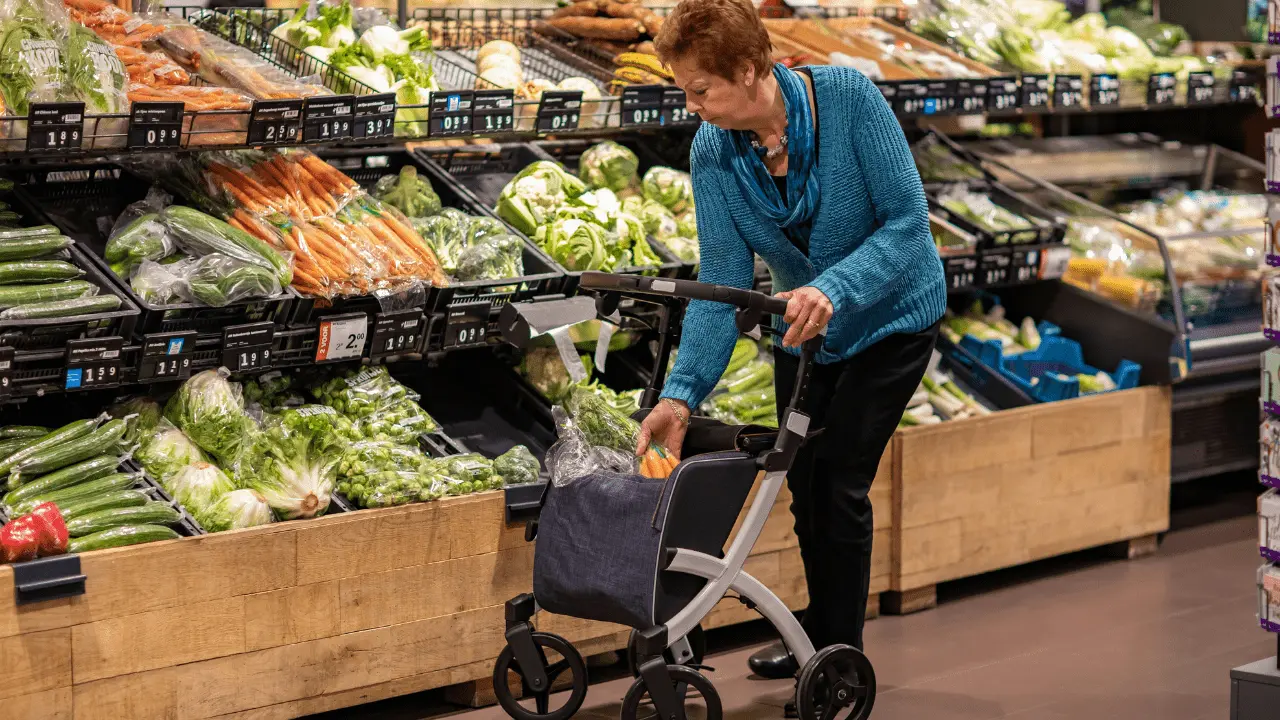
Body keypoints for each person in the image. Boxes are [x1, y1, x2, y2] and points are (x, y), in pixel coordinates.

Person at [640, 0, 947, 703]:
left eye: (700, 89)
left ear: (749, 70)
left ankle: (841, 661)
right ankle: (816, 634)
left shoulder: (849, 102)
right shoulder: (714, 150)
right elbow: (722, 281)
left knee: (839, 485)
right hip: (805, 333)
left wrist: (835, 288)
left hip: (892, 321)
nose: (693, 106)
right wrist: (681, 395)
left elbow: (907, 224)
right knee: (804, 491)